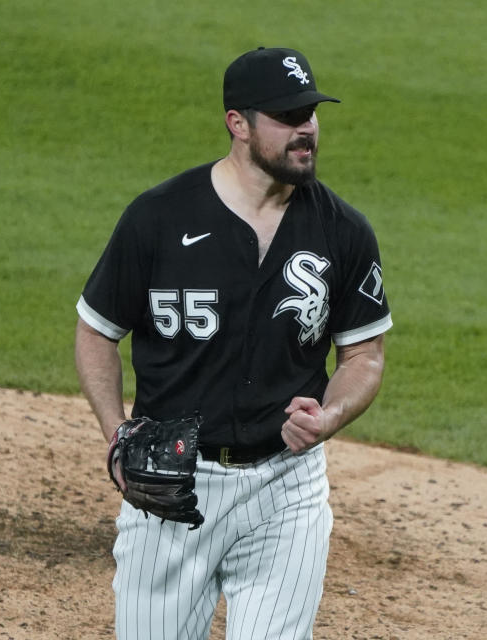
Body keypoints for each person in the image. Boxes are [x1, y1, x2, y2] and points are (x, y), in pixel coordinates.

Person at [74, 46, 392, 640]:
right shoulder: (159, 218)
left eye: (311, 114)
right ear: (237, 124)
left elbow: (364, 355)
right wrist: (117, 436)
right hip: (170, 489)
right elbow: (97, 329)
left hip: (285, 491)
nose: (306, 130)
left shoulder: (343, 232)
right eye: (287, 116)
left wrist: (330, 415)